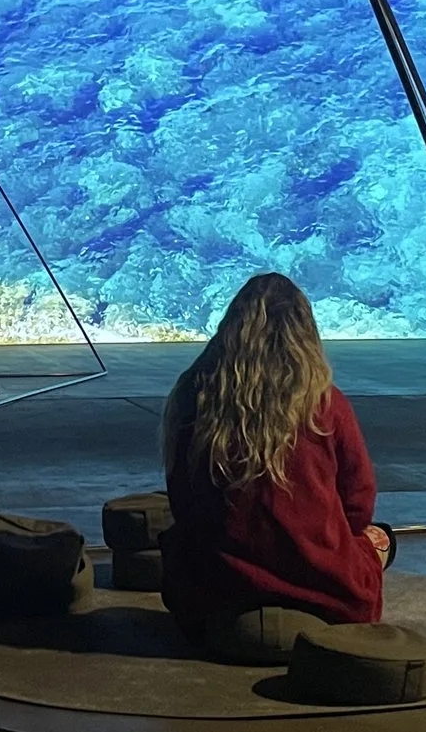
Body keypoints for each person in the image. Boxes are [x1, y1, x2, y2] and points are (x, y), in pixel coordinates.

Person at [159, 273, 392, 662]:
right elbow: (358, 507)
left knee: (176, 541)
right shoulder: (326, 403)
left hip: (216, 592)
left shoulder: (192, 396)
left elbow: (183, 502)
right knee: (381, 537)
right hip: (323, 588)